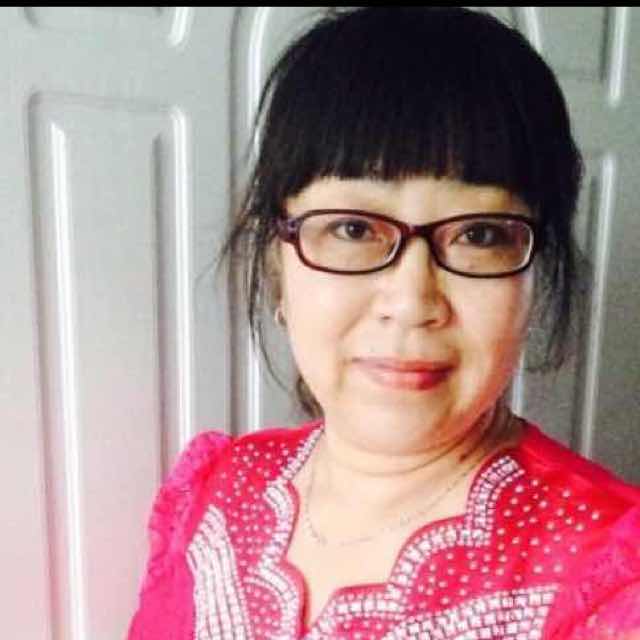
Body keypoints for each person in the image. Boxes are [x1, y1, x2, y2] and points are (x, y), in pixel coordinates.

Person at [128, 7, 640, 639]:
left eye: (480, 235)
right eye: (353, 228)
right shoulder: (217, 491)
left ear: (534, 277)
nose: (412, 300)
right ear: (277, 261)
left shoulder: (614, 580)